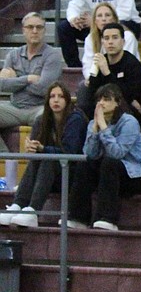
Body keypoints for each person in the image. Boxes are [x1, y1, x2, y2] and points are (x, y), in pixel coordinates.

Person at [67, 84, 141, 232]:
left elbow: (117, 153)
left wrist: (103, 127)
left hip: (138, 175)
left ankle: (107, 218)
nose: (101, 103)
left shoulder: (129, 122)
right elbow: (90, 154)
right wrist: (95, 130)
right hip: (110, 173)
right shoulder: (93, 123)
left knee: (110, 163)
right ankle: (78, 217)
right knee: (84, 165)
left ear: (118, 103)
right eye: (99, 99)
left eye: (106, 99)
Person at [0, 83, 87, 228]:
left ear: (67, 100)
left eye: (60, 97)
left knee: (49, 159)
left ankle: (33, 211)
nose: (56, 100)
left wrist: (42, 148)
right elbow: (37, 148)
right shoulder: (42, 119)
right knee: (40, 158)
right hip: (47, 176)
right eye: (52, 97)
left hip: (72, 175)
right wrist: (31, 147)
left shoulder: (75, 119)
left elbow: (69, 152)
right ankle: (18, 205)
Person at [78, 23, 141, 128]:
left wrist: (107, 73)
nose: (110, 42)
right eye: (106, 38)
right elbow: (92, 93)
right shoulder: (100, 62)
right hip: (104, 108)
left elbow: (129, 96)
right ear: (102, 42)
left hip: (133, 111)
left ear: (123, 41)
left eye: (115, 38)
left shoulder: (132, 63)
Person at [0, 12, 64, 130]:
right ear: (23, 30)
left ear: (44, 31)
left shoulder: (52, 55)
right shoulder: (13, 55)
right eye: (30, 27)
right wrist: (28, 78)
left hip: (39, 108)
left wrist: (15, 80)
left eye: (39, 27)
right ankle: (3, 149)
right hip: (14, 107)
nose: (34, 31)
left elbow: (44, 89)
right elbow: (2, 85)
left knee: (47, 118)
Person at [80, 3, 141, 82]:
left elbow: (127, 65)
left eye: (107, 15)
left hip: (125, 78)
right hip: (101, 78)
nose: (104, 19)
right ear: (95, 21)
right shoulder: (90, 38)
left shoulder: (128, 36)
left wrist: (107, 74)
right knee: (84, 87)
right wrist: (90, 79)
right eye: (99, 16)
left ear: (114, 19)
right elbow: (88, 65)